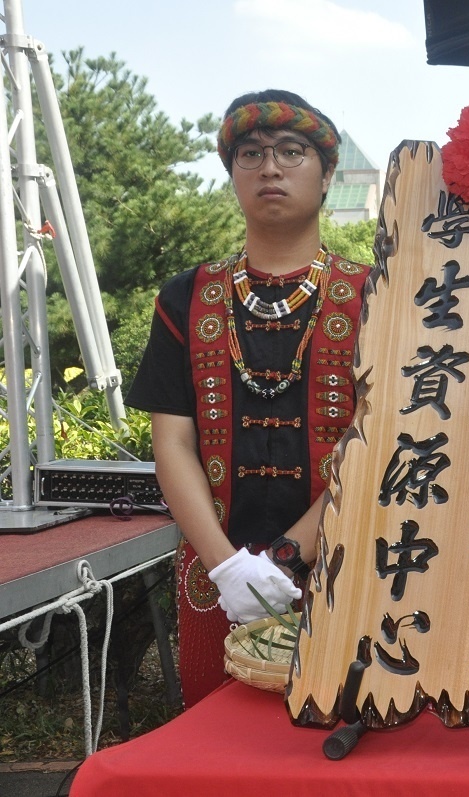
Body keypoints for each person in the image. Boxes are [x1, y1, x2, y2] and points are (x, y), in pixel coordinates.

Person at [127, 89, 370, 705]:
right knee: (217, 731)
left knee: (343, 728)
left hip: (347, 559)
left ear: (327, 174)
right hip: (215, 566)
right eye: (251, 154)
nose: (270, 168)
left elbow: (378, 434)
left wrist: (289, 554)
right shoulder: (184, 298)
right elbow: (173, 442)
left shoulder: (374, 297)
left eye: (292, 151)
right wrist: (229, 565)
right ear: (233, 175)